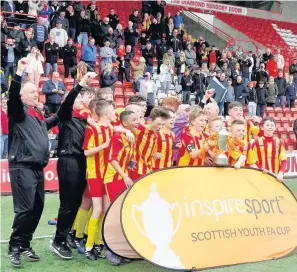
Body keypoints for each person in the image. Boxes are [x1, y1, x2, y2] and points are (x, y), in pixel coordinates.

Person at [7, 58, 60, 268]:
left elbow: (56, 119)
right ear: (21, 96)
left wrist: (74, 96)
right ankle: (14, 247)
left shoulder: (37, 118)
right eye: (31, 92)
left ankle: (25, 244)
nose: (35, 94)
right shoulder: (18, 113)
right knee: (25, 209)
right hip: (21, 167)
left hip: (37, 170)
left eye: (36, 92)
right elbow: (12, 96)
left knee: (37, 208)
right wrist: (19, 72)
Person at [50, 74, 98, 260]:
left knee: (75, 203)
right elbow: (69, 101)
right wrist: (80, 86)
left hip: (80, 161)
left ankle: (64, 236)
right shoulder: (66, 115)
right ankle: (58, 240)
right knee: (68, 203)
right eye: (77, 98)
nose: (80, 101)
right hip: (68, 159)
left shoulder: (84, 119)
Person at [81, 100, 115, 260]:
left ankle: (98, 243)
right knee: (97, 209)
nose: (115, 113)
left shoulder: (111, 128)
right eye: (113, 110)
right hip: (95, 175)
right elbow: (87, 152)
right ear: (106, 113)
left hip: (107, 175)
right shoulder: (92, 129)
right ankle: (88, 246)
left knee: (104, 211)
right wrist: (104, 146)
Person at [105, 110, 138, 202]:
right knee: (115, 209)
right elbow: (113, 160)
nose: (137, 122)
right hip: (114, 178)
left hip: (123, 177)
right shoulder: (118, 137)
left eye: (137, 119)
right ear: (124, 123)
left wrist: (131, 167)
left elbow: (130, 157)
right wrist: (125, 176)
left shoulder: (131, 136)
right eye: (134, 120)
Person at [130, 106, 171, 181]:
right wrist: (126, 131)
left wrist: (153, 154)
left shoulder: (154, 134)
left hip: (148, 170)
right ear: (150, 120)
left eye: (162, 124)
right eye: (158, 124)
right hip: (136, 170)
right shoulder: (140, 129)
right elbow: (118, 127)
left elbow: (145, 150)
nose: (160, 127)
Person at [252, 117, 287, 181]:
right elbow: (253, 161)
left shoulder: (279, 142)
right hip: (261, 176)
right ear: (262, 127)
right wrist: (263, 170)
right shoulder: (256, 142)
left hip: (275, 177)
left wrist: (281, 173)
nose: (270, 127)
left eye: (272, 125)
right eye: (267, 125)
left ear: (275, 127)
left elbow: (283, 160)